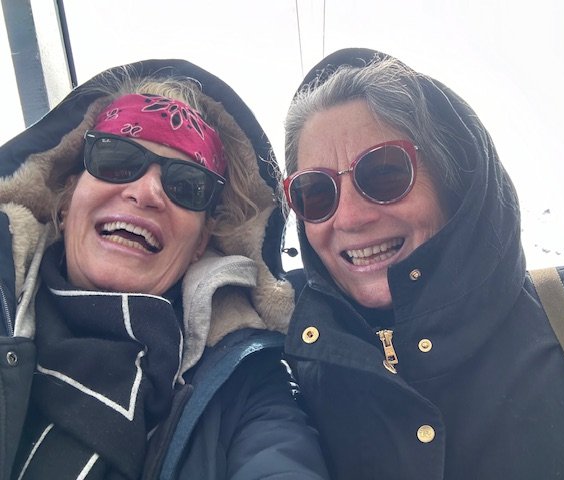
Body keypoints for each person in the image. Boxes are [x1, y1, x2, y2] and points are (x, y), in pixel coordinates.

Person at [281, 47, 564, 479]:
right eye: (316, 192)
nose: (350, 218)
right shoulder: (287, 373)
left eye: (384, 173)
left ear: (451, 180)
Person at [0, 59, 329, 480]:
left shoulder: (247, 383)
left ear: (200, 244)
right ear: (65, 200)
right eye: (116, 159)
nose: (146, 192)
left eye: (186, 185)